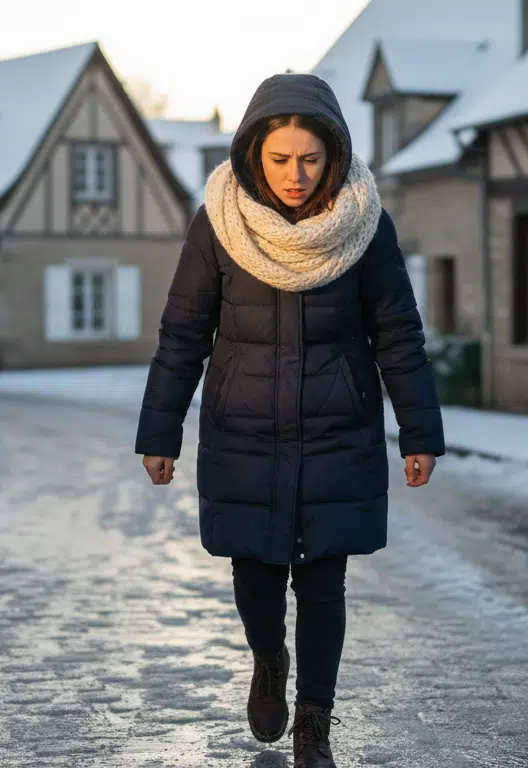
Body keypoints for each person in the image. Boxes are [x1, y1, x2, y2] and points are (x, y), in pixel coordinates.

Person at [134, 72, 445, 768]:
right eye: (280, 161)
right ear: (254, 154)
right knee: (256, 575)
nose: (295, 175)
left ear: (332, 153)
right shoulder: (220, 224)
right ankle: (268, 657)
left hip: (338, 430)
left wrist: (420, 433)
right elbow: (183, 334)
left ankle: (315, 723)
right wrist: (160, 433)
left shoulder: (365, 223)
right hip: (244, 432)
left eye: (309, 159)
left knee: (324, 582)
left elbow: (398, 335)